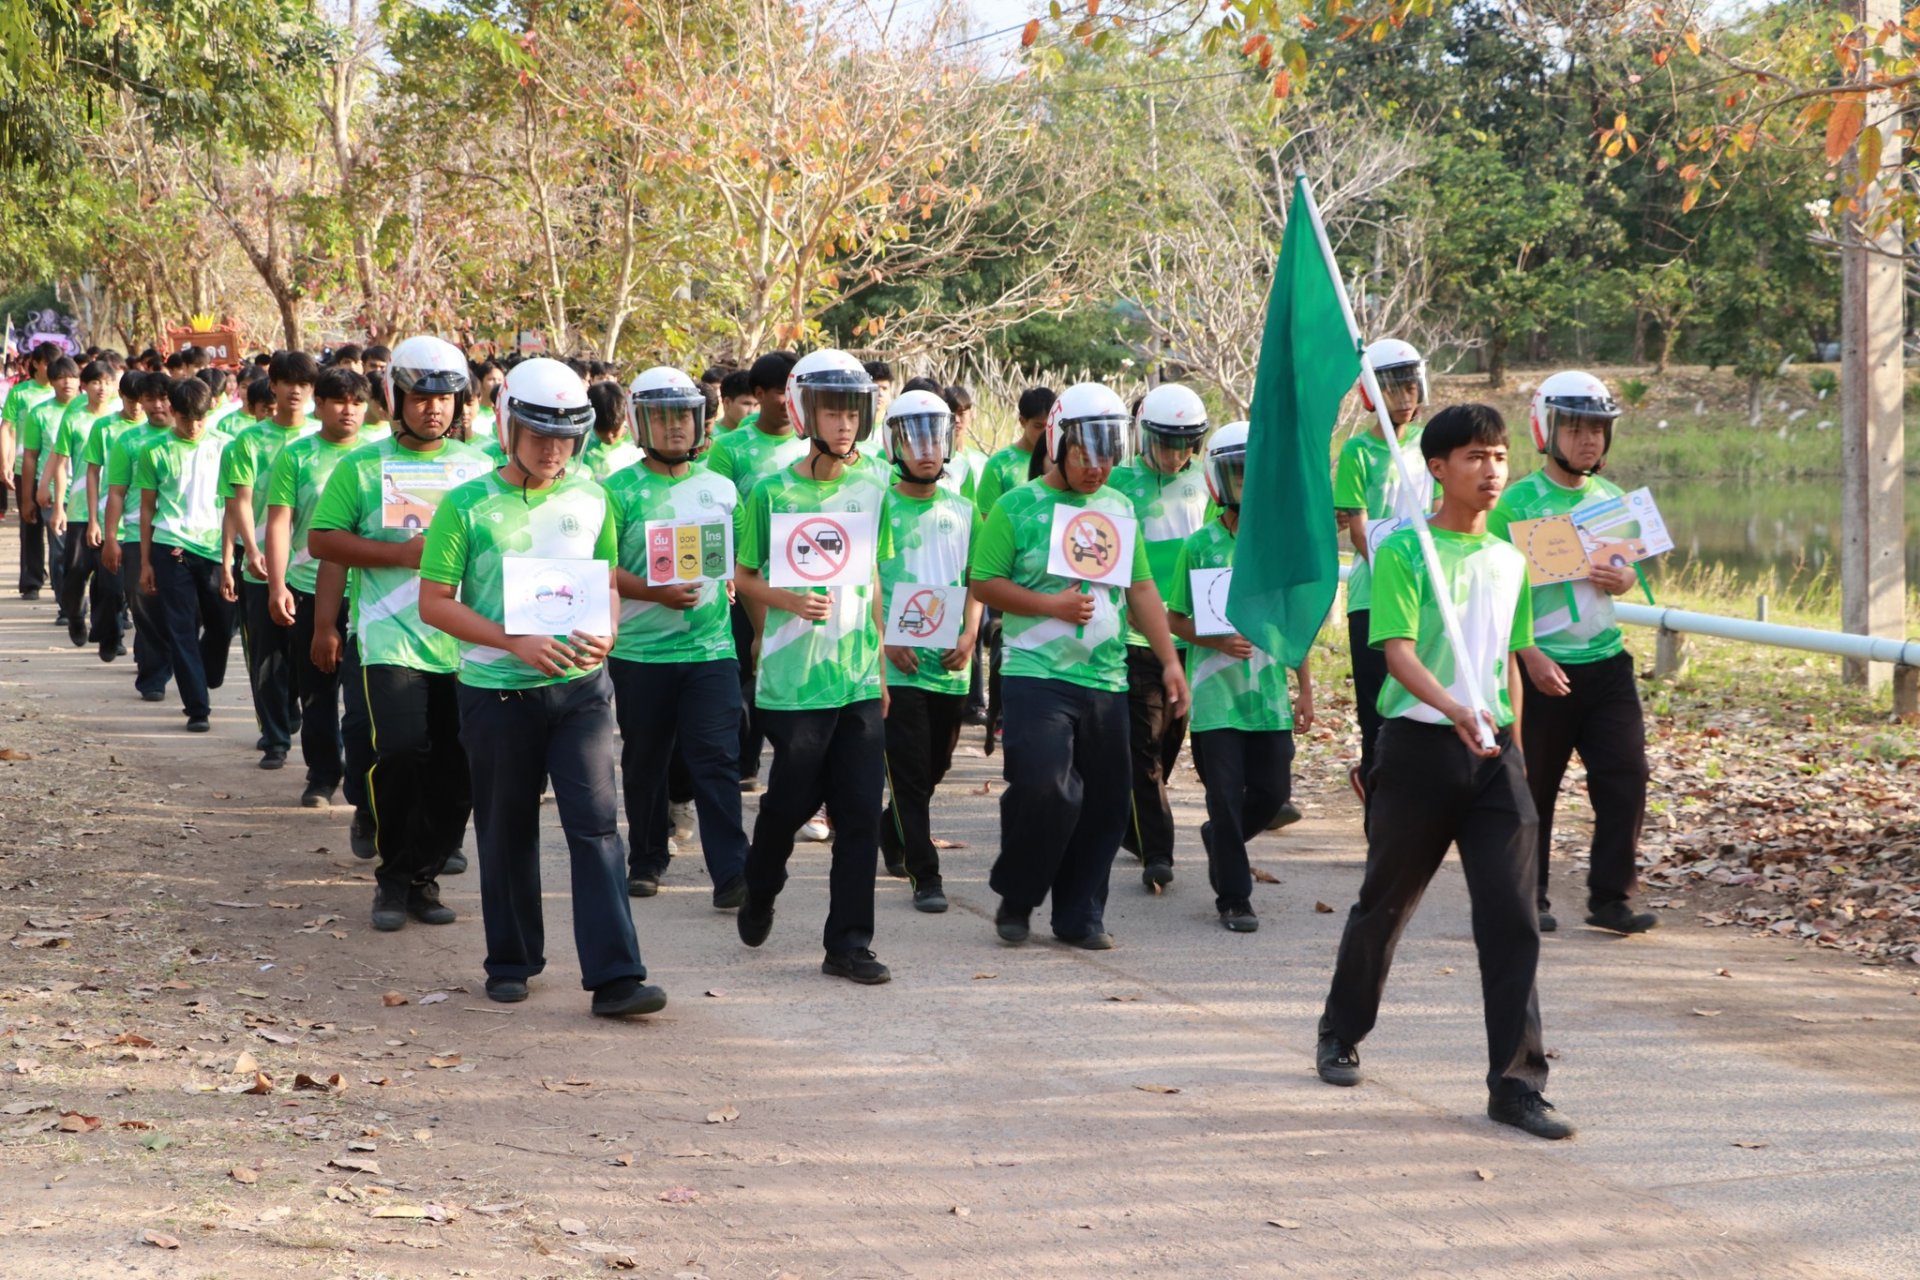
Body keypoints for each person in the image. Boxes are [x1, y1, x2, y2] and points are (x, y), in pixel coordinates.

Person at [1314, 403, 1572, 1141]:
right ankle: (1340, 1031)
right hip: (1419, 749)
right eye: (1474, 457)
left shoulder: (1509, 560)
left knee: (1513, 918)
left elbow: (1509, 658)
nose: (1491, 471)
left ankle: (1516, 1085)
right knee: (1386, 904)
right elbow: (1397, 652)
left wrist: (1513, 744)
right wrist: (1453, 707)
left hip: (1494, 757)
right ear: (1437, 468)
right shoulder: (1405, 550)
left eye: (1499, 457)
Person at [418, 357, 666, 1018]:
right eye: (538, 435)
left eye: (566, 437)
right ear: (507, 426)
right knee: (506, 828)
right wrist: (512, 641)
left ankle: (617, 976)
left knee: (597, 827)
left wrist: (609, 630)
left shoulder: (592, 497)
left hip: (582, 691)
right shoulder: (466, 505)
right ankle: (511, 960)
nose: (553, 449)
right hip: (497, 691)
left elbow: (606, 581)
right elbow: (434, 602)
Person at [970, 381, 1190, 950]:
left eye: (1108, 454)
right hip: (1035, 673)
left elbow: (1141, 588)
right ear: (1057, 443)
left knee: (1106, 803)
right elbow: (983, 582)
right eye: (1085, 454)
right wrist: (1051, 606)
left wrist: (1169, 661)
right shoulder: (1017, 507)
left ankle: (1080, 915)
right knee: (1046, 787)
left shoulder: (1118, 507)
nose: (1098, 468)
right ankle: (1018, 895)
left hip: (1106, 677)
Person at [731, 349, 894, 984]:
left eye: (852, 412)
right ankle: (761, 883)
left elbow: (872, 576)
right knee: (790, 802)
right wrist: (787, 600)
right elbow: (744, 577)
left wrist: (880, 666)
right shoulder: (771, 491)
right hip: (793, 680)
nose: (844, 423)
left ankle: (849, 945)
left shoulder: (873, 485)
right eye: (831, 411)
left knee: (859, 812)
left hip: (857, 678)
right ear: (805, 413)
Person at [310, 336, 484, 929]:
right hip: (390, 639)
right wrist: (400, 555)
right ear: (396, 398)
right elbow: (323, 541)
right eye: (420, 397)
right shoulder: (361, 467)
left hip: (466, 644)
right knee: (403, 754)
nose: (433, 409)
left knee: (458, 769)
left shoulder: (481, 468)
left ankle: (423, 878)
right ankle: (393, 878)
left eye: (445, 398)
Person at [1489, 371, 1657, 936]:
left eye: (1599, 429)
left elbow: (1626, 570)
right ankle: (1527, 895)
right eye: (1576, 428)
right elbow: (1494, 591)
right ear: (1546, 429)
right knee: (1533, 785)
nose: (1589, 440)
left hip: (1607, 663)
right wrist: (1528, 655)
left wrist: (1625, 579)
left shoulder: (1611, 500)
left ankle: (1612, 899)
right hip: (1538, 667)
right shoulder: (1514, 504)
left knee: (1626, 776)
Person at [605, 366, 750, 905]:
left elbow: (742, 560)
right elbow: (601, 570)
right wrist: (654, 592)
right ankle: (646, 859)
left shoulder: (721, 489)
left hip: (711, 649)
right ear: (639, 423)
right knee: (646, 761)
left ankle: (732, 873)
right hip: (640, 653)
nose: (675, 427)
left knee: (716, 758)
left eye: (684, 416)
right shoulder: (615, 491)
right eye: (662, 417)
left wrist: (733, 583)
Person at [1165, 422, 1313, 932]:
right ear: (1218, 478)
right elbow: (1174, 618)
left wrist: (1305, 689)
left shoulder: (1280, 546)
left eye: (1257, 473)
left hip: (1268, 698)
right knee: (1225, 799)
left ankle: (1220, 840)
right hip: (1215, 698)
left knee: (1271, 794)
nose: (1248, 484)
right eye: (1238, 473)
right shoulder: (1199, 545)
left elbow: (1295, 624)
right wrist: (1217, 642)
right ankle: (1234, 898)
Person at [877, 389, 982, 912]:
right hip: (897, 667)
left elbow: (978, 579)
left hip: (950, 664)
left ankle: (890, 828)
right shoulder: (877, 507)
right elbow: (864, 581)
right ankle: (927, 875)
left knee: (934, 767)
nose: (925, 450)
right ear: (894, 444)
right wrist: (885, 639)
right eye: (913, 440)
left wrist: (970, 634)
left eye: (934, 439)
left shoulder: (964, 510)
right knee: (911, 773)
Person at [1109, 381, 1212, 889]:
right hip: (1135, 639)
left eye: (1186, 444)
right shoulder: (1118, 484)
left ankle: (1133, 823)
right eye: (1166, 444)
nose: (1175, 455)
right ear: (1143, 436)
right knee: (1144, 745)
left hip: (1191, 637)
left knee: (1171, 738)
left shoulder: (1209, 483)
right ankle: (1158, 852)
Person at [264, 367, 371, 809]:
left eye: (357, 402)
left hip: (369, 594)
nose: (349, 410)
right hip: (310, 589)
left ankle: (366, 781)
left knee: (367, 696)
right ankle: (323, 775)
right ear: (320, 405)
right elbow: (279, 522)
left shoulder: (378, 455)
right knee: (318, 690)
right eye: (339, 401)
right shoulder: (296, 456)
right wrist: (277, 585)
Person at [1333, 339, 1433, 811]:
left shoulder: (1432, 444)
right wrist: (1398, 572)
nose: (1405, 397)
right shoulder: (1358, 451)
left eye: (1410, 386)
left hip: (1425, 594)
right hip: (1372, 596)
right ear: (1371, 393)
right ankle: (1379, 819)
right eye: (1393, 388)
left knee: (1418, 708)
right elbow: (1358, 531)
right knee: (1376, 712)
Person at [706, 351, 805, 796]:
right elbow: (717, 520)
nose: (788, 400)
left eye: (795, 391)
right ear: (759, 394)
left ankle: (793, 767)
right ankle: (742, 763)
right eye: (780, 391)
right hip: (742, 581)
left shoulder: (812, 444)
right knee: (746, 673)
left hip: (801, 581)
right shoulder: (730, 448)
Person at [221, 349, 319, 770]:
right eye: (287, 382)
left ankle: (289, 709)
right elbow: (240, 502)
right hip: (261, 569)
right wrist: (251, 549)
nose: (295, 390)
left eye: (304, 383)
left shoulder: (320, 438)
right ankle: (275, 738)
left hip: (313, 571)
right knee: (267, 657)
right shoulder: (249, 441)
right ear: (273, 386)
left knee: (304, 657)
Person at [135, 376, 237, 733]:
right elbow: (147, 508)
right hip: (171, 546)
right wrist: (146, 562)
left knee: (223, 623)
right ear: (173, 411)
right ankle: (197, 707)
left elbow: (235, 506)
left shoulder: (227, 447)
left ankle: (206, 672)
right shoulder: (154, 451)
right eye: (185, 418)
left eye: (200, 418)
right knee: (181, 629)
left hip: (215, 548)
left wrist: (229, 561)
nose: (193, 426)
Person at [102, 373, 178, 700]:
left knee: (186, 609)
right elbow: (116, 492)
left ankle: (174, 658)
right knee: (143, 604)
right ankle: (153, 676)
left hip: (183, 537)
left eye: (164, 398)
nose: (157, 405)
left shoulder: (196, 438)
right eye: (150, 399)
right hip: (136, 534)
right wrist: (110, 536)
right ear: (141, 402)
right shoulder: (129, 441)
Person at [68, 370, 147, 660]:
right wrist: (93, 519)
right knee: (109, 585)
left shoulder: (158, 429)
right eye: (130, 400)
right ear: (121, 396)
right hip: (110, 519)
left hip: (145, 523)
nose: (136, 406)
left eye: (141, 400)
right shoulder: (104, 428)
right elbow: (92, 472)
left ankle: (142, 650)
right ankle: (108, 636)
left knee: (135, 592)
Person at [45, 361, 120, 648]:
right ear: (84, 386)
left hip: (114, 511)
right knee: (75, 570)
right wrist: (59, 506)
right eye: (96, 382)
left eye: (107, 382)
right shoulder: (74, 419)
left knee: (111, 578)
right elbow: (61, 463)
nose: (102, 388)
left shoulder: (119, 420)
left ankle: (110, 634)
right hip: (79, 509)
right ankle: (75, 615)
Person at [21, 357, 83, 617]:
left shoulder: (92, 410)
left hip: (90, 494)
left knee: (88, 554)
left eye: (72, 377)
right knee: (61, 553)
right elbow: (31, 457)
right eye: (60, 378)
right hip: (56, 495)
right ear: (52, 381)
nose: (67, 382)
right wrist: (28, 497)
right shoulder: (40, 413)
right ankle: (68, 607)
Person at [6, 342, 61, 599]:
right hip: (25, 467)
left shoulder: (67, 394)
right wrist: (5, 463)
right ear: (36, 364)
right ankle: (31, 580)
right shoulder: (20, 393)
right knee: (30, 523)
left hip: (60, 470)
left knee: (58, 527)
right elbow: (7, 429)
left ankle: (61, 579)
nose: (53, 369)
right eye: (48, 363)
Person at [581, 380, 643, 480]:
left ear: (625, 417)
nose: (609, 437)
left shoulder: (637, 442)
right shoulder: (583, 444)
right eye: (602, 431)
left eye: (615, 430)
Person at [717, 368, 757, 434]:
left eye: (756, 405)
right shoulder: (707, 435)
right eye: (746, 404)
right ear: (727, 403)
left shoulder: (762, 435)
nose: (752, 412)